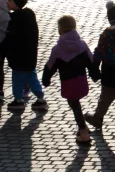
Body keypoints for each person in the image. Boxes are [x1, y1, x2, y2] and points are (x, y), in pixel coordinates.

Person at [42, 15, 98, 145]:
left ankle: (83, 132)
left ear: (60, 29)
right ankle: (83, 128)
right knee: (76, 104)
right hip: (81, 82)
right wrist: (95, 75)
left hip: (68, 83)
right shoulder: (82, 45)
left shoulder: (57, 50)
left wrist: (46, 80)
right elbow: (91, 61)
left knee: (74, 105)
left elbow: (50, 66)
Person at [85, 1, 115, 130]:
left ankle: (97, 118)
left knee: (105, 98)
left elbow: (98, 52)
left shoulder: (105, 34)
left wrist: (94, 68)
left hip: (109, 72)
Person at [0, 0, 47, 113]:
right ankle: (40, 97)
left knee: (17, 78)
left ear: (16, 3)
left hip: (18, 57)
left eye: (9, 0)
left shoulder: (14, 19)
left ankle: (18, 99)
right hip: (30, 56)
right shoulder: (29, 15)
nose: (7, 3)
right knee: (32, 76)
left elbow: (11, 38)